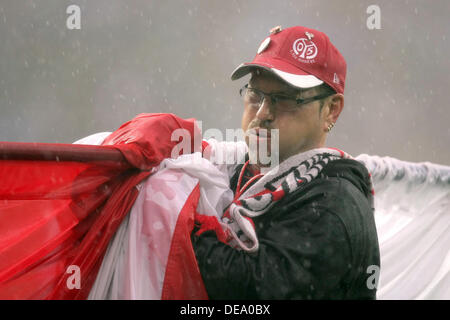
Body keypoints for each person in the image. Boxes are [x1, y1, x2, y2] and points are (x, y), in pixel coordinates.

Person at [191, 25, 381, 299]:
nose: (263, 113)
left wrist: (169, 224)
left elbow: (254, 292)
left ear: (331, 110)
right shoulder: (233, 173)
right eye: (255, 95)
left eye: (285, 100)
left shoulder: (334, 203)